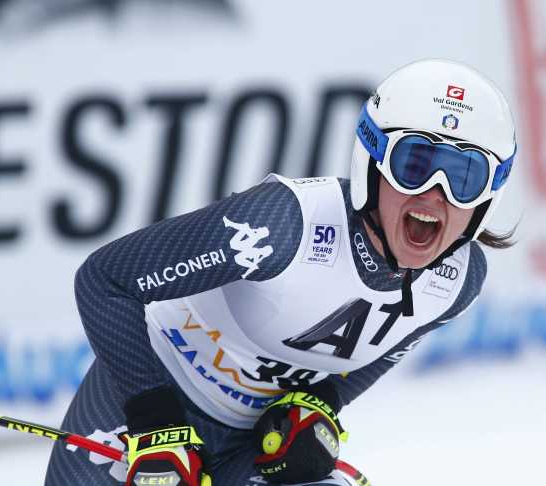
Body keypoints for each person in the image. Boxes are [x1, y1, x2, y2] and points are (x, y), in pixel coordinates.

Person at [44, 58, 517, 486]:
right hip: (138, 407)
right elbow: (105, 280)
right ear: (372, 164)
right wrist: (155, 418)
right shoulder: (285, 225)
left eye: (465, 177)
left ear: (487, 198)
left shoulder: (457, 281)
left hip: (253, 447)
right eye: (413, 165)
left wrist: (323, 401)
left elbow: (387, 345)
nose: (435, 192)